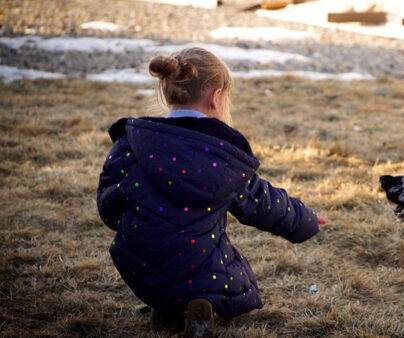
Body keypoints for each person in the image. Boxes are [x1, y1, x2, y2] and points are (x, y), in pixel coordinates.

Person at [96, 47, 327, 337]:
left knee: (160, 252)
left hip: (139, 267)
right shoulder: (222, 158)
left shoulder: (131, 144)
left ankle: (164, 308)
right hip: (197, 268)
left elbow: (108, 205)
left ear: (166, 92)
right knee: (224, 267)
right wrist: (306, 219)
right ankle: (200, 302)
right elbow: (264, 203)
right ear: (216, 97)